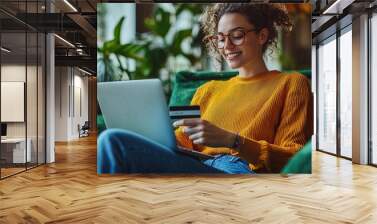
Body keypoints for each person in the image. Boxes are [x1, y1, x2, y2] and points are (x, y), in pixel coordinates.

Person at [97, 3, 313, 174]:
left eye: (236, 35)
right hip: (194, 164)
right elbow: (183, 140)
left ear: (262, 36)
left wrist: (233, 141)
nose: (226, 47)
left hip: (236, 168)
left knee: (112, 141)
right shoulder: (207, 90)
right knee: (113, 140)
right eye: (219, 39)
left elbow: (294, 157)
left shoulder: (291, 83)